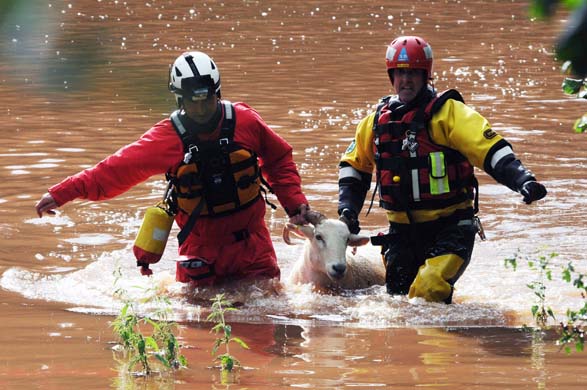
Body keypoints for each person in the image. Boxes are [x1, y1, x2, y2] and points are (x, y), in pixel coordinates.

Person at [35, 51, 310, 286]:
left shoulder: (246, 123)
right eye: (193, 100)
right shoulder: (166, 138)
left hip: (253, 246)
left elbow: (279, 159)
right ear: (180, 99)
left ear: (217, 92)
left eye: (207, 98)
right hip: (200, 253)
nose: (201, 107)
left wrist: (295, 205)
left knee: (268, 328)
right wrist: (62, 193)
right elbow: (114, 170)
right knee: (196, 338)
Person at [337, 36, 547, 303]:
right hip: (401, 233)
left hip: (451, 227)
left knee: (429, 288)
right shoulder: (375, 122)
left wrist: (523, 180)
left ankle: (446, 343)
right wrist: (347, 211)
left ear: (426, 75)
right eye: (400, 73)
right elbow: (354, 168)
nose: (406, 80)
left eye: (413, 73)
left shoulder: (449, 114)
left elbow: (489, 148)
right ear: (392, 76)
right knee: (397, 302)